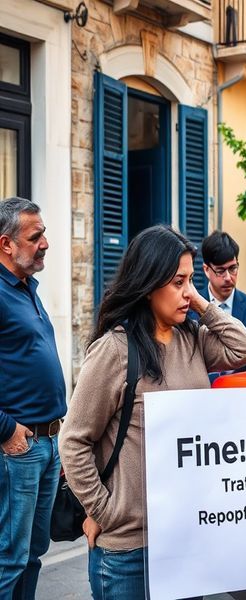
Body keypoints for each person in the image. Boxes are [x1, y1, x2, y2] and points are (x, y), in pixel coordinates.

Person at [58, 225, 246, 598]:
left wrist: (201, 304)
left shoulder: (192, 339)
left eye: (191, 280)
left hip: (186, 538)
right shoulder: (114, 350)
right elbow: (73, 441)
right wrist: (106, 512)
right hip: (130, 552)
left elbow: (244, 348)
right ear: (149, 284)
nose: (188, 292)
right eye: (178, 282)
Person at [0, 197, 67, 598]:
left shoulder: (27, 289)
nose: (45, 243)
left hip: (47, 443)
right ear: (6, 244)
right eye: (35, 236)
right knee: (10, 557)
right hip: (18, 448)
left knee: (33, 554)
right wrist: (6, 429)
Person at [197, 231, 246, 377]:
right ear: (206, 270)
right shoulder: (190, 306)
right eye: (220, 271)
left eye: (233, 268)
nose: (228, 277)